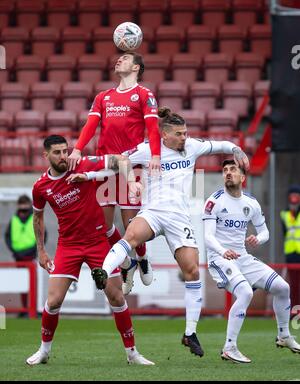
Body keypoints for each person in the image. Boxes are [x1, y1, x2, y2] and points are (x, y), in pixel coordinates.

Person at [67, 107, 249, 358]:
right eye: (179, 134)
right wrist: (88, 175)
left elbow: (221, 145)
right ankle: (104, 273)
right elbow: (117, 163)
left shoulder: (193, 147)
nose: (184, 137)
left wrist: (237, 150)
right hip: (153, 212)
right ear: (164, 135)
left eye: (185, 133)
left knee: (192, 270)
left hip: (179, 218)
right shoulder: (147, 150)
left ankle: (190, 333)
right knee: (130, 236)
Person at [26, 135, 154, 366]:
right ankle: (44, 351)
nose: (63, 156)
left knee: (116, 296)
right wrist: (42, 251)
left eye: (66, 151)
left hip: (97, 242)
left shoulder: (83, 164)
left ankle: (132, 353)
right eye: (57, 152)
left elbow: (120, 160)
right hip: (68, 246)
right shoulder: (41, 186)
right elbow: (37, 217)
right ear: (46, 156)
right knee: (53, 301)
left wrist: (131, 181)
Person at [68, 51, 162, 288]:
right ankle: (127, 264)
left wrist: (156, 156)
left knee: (133, 227)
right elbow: (91, 125)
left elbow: (153, 128)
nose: (118, 59)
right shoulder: (103, 96)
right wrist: (78, 149)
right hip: (108, 166)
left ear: (136, 68)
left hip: (132, 167)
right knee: (103, 227)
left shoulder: (144, 94)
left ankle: (142, 258)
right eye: (119, 57)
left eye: (126, 58)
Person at [202, 159, 300, 364]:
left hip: (242, 258)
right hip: (219, 259)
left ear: (243, 177)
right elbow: (208, 237)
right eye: (225, 170)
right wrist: (223, 251)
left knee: (282, 287)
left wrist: (258, 238)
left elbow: (265, 232)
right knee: (245, 292)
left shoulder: (251, 203)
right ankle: (229, 347)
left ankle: (283, 335)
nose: (228, 173)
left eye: (233, 170)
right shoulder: (214, 201)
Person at [5, 195, 37, 317]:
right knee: (22, 284)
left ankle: (34, 309)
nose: (23, 212)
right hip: (18, 258)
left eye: (25, 209)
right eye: (21, 209)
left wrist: (34, 250)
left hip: (31, 257)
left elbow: (42, 235)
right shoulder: (13, 220)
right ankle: (24, 309)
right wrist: (14, 250)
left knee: (33, 285)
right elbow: (7, 237)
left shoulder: (35, 218)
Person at [280, 185, 300, 308]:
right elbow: (285, 233)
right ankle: (295, 311)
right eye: (292, 195)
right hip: (291, 254)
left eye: (296, 195)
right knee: (294, 285)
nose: (294, 198)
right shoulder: (284, 214)